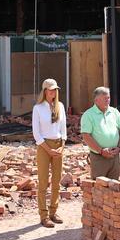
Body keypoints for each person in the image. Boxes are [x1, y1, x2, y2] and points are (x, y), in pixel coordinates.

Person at [32, 78, 67, 228]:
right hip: (44, 146)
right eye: (51, 89)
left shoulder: (60, 106)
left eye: (55, 89)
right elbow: (36, 133)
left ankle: (54, 211)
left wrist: (62, 146)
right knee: (43, 181)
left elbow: (63, 129)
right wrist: (49, 150)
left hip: (58, 145)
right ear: (45, 90)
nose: (53, 92)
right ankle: (43, 215)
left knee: (56, 180)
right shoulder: (38, 108)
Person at [81, 87, 120, 180]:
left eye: (109, 98)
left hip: (114, 156)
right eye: (105, 98)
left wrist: (119, 148)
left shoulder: (115, 112)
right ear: (96, 100)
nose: (108, 100)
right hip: (99, 157)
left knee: (114, 187)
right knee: (99, 188)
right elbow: (86, 136)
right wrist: (101, 151)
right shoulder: (88, 115)